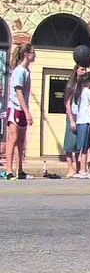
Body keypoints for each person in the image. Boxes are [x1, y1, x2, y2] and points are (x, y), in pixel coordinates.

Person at [2, 44, 35, 180]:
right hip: (15, 108)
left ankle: (20, 170)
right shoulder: (19, 71)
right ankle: (9, 170)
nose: (34, 54)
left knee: (21, 141)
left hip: (22, 109)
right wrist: (27, 112)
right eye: (33, 52)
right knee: (13, 139)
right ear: (26, 54)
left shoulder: (26, 71)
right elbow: (18, 92)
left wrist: (26, 111)